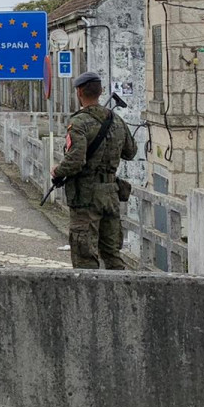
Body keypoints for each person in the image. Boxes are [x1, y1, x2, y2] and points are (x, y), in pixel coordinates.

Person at [51, 71, 137, 270]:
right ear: (101, 92)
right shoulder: (116, 120)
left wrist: (57, 171)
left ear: (79, 91)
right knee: (112, 253)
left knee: (85, 257)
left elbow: (75, 159)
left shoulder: (79, 122)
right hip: (110, 194)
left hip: (86, 196)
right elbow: (130, 152)